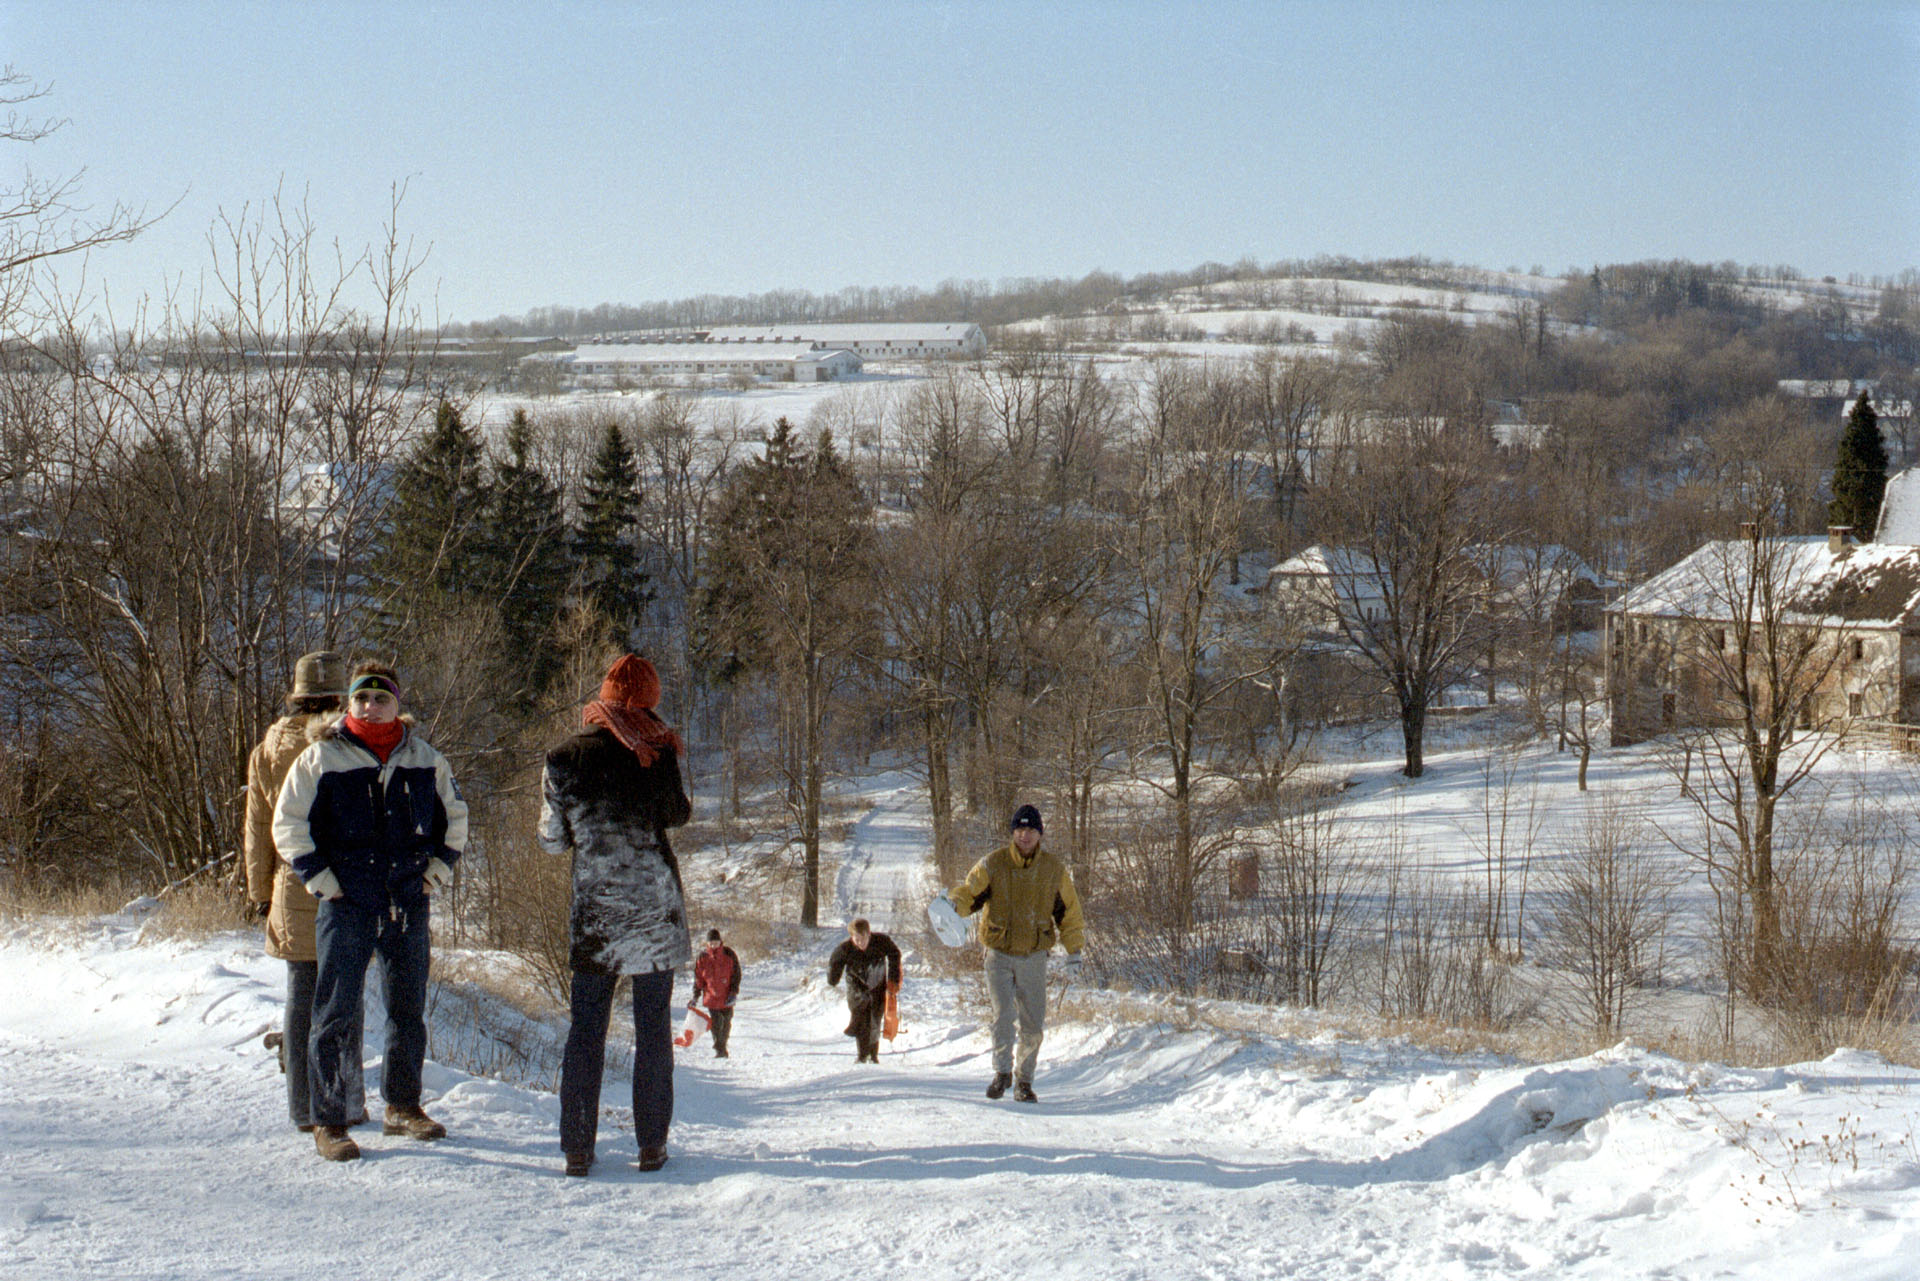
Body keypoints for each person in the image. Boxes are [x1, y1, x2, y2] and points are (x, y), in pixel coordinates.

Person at [273, 661, 467, 1162]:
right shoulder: (321, 758)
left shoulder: (426, 760)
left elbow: (456, 821)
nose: (370, 706)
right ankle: (330, 1120)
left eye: (380, 698)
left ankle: (402, 1106)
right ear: (348, 704)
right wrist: (323, 882)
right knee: (334, 1011)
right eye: (361, 698)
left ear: (397, 704)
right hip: (346, 903)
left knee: (407, 1010)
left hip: (406, 902)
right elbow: (288, 824)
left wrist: (434, 876)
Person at [538, 654, 692, 1177]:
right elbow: (678, 814)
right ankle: (652, 1145)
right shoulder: (656, 748)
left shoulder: (562, 758)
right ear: (647, 700)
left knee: (586, 1031)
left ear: (603, 698)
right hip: (653, 912)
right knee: (652, 1031)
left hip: (597, 915)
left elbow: (551, 839)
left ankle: (577, 1149)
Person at [243, 650, 367, 1136]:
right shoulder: (346, 743)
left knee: (301, 998)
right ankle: (347, 1101)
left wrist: (258, 891)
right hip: (345, 881)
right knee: (346, 996)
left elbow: (257, 826)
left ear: (296, 694)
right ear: (339, 694)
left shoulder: (268, 747)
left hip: (291, 884)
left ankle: (301, 1107)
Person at [939, 803, 1084, 1102]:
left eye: (1031, 830)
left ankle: (1024, 1082)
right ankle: (1002, 1072)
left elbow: (1070, 912)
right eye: (1019, 830)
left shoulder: (1054, 870)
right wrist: (953, 905)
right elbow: (970, 891)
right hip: (999, 953)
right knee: (1003, 1015)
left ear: (1039, 834)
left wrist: (1074, 951)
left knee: (1033, 1022)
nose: (1025, 836)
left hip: (1033, 955)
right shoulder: (993, 864)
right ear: (1012, 833)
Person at [826, 918, 901, 1064]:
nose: (860, 943)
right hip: (856, 987)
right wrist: (832, 979)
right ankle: (862, 1055)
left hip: (877, 984)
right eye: (857, 939)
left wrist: (893, 978)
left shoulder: (881, 941)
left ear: (869, 934)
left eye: (863, 939)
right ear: (852, 937)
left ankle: (873, 1055)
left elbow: (895, 954)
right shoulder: (845, 948)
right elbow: (834, 963)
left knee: (875, 1018)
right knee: (861, 1018)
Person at [693, 929, 741, 1058]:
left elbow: (736, 975)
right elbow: (698, 978)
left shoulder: (729, 954)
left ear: (720, 942)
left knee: (726, 1022)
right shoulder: (702, 957)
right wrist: (695, 996)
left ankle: (722, 1044)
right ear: (707, 944)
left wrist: (734, 992)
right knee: (716, 1022)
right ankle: (720, 1050)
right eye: (711, 943)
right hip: (711, 996)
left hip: (727, 995)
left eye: (716, 942)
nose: (714, 945)